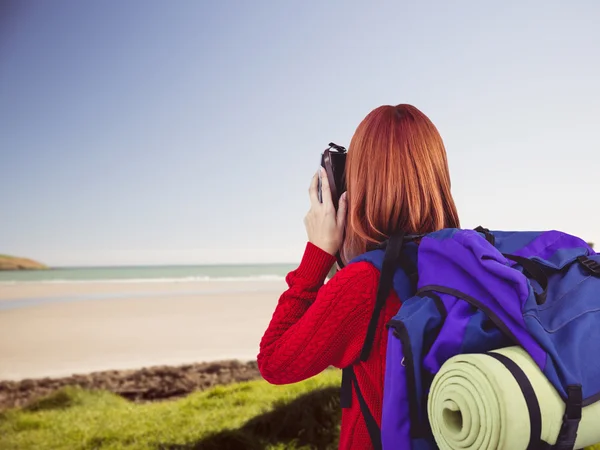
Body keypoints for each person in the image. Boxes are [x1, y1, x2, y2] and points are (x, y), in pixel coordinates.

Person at [257, 104, 460, 449]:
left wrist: (319, 254)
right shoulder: (462, 262)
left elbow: (275, 362)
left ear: (360, 181)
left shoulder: (364, 286)